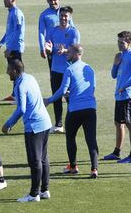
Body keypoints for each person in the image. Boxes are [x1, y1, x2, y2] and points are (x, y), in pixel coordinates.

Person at [44, 44, 99, 178]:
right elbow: (92, 88)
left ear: (75, 53)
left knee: (70, 137)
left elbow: (62, 90)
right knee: (91, 139)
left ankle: (73, 167)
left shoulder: (69, 69)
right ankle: (94, 169)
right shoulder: (90, 69)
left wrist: (49, 100)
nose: (66, 53)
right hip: (90, 108)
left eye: (69, 52)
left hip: (75, 109)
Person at [2, 60, 52, 202]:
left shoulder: (20, 85)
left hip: (34, 126)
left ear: (15, 71)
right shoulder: (30, 78)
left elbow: (21, 108)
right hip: (45, 122)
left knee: (35, 161)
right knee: (43, 158)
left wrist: (8, 124)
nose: (7, 72)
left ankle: (33, 194)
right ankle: (44, 190)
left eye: (9, 69)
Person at [103, 31, 131, 163]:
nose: (119, 45)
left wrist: (125, 86)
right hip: (119, 96)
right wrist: (115, 63)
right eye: (118, 42)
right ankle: (117, 152)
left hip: (128, 96)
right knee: (119, 123)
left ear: (129, 42)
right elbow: (113, 75)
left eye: (122, 42)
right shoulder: (120, 55)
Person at [45, 6, 80, 134]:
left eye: (66, 16)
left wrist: (65, 51)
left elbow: (75, 50)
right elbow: (48, 44)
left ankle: (72, 124)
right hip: (55, 69)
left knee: (70, 97)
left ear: (70, 17)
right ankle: (59, 124)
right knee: (56, 97)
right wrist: (48, 48)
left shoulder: (74, 32)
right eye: (61, 16)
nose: (63, 18)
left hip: (69, 70)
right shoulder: (53, 31)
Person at [0, 0, 25, 101]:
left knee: (16, 72)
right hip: (11, 47)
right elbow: (9, 32)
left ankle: (18, 95)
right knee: (13, 71)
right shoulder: (11, 12)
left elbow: (19, 32)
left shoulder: (16, 13)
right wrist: (1, 44)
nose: (4, 1)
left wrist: (10, 48)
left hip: (15, 48)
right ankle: (15, 94)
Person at [38, 0, 74, 71]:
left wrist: (74, 47)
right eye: (50, 0)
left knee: (69, 71)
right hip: (52, 48)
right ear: (47, 1)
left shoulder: (65, 12)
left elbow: (72, 28)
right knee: (53, 71)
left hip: (67, 46)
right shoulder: (44, 15)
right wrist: (42, 48)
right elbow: (41, 32)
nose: (53, 2)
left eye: (54, 0)